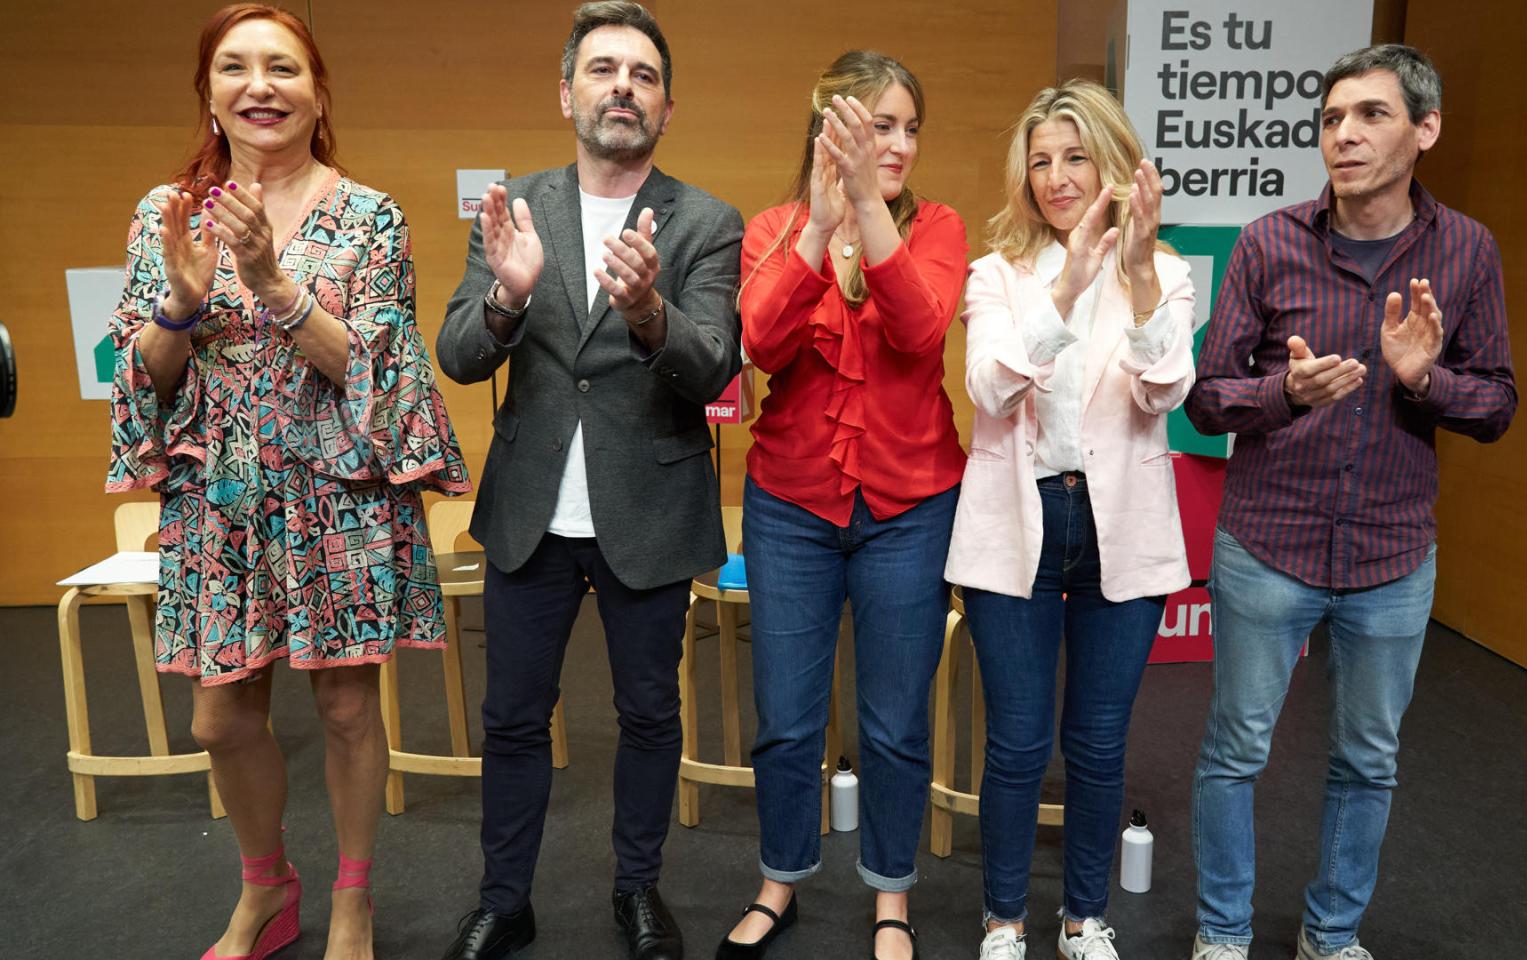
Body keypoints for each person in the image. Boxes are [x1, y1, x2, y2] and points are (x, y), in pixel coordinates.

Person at [104, 5, 469, 959]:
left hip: (335, 499)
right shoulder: (165, 212)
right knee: (219, 714)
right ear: (210, 94)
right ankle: (267, 886)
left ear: (317, 93)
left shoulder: (369, 216)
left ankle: (352, 897)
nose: (259, 86)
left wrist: (274, 285)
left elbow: (382, 372)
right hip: (219, 500)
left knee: (347, 707)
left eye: (282, 68)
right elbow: (139, 376)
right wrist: (180, 305)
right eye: (234, 68)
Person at [1182, 44, 1517, 960]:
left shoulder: (1467, 251)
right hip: (1269, 543)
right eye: (1331, 119)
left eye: (1370, 115)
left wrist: (1427, 381)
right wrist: (1284, 396)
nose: (1344, 135)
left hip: (1391, 556)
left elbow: (1497, 405)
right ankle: (1222, 933)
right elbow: (1206, 397)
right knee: (1234, 752)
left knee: (1368, 761)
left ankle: (1330, 937)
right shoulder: (1268, 241)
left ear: (1425, 128)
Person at [433, 3, 744, 959]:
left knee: (650, 714)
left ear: (667, 105)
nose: (622, 87)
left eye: (642, 74)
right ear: (566, 92)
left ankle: (638, 891)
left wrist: (650, 314)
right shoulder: (514, 204)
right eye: (603, 69)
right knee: (514, 717)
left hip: (649, 504)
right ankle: (504, 899)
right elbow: (456, 353)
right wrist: (508, 295)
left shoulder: (706, 221)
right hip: (532, 510)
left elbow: (716, 365)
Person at [718, 50, 968, 960]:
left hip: (911, 504)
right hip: (791, 506)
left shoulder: (936, 226)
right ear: (831, 130)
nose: (896, 144)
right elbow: (763, 343)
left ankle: (890, 895)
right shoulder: (776, 227)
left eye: (908, 128)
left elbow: (919, 329)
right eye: (878, 126)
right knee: (786, 715)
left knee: (895, 720)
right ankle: (779, 878)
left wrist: (871, 207)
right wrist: (823, 227)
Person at [945, 79, 1197, 960]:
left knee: (1096, 742)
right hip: (1018, 522)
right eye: (1041, 161)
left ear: (1114, 163)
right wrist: (1066, 289)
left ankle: (1085, 916)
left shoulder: (1165, 272)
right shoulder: (996, 274)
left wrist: (1127, 279)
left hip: (1118, 524)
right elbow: (989, 388)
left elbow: (1168, 388)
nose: (1056, 177)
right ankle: (1004, 919)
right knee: (1017, 743)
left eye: (1075, 156)